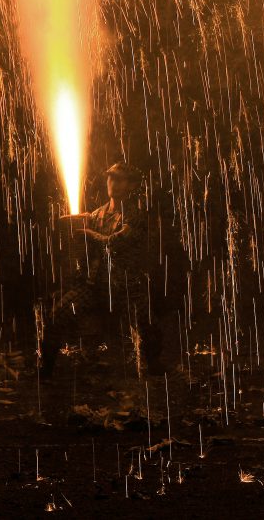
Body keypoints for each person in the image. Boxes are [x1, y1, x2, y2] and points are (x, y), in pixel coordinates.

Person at [41, 162, 164, 378]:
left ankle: (153, 367)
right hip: (96, 283)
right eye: (111, 178)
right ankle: (46, 369)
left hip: (125, 284)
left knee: (144, 321)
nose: (113, 183)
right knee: (58, 313)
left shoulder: (134, 215)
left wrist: (89, 233)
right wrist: (70, 225)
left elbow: (113, 243)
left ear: (131, 185)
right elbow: (78, 246)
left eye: (120, 179)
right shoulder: (97, 214)